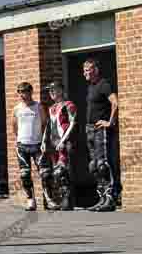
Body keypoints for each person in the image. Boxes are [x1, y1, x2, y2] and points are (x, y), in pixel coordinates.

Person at [83, 58, 120, 212]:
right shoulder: (91, 87)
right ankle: (102, 198)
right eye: (84, 70)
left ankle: (111, 198)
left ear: (96, 69)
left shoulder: (103, 84)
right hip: (90, 129)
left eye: (88, 69)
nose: (85, 72)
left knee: (103, 165)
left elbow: (115, 102)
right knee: (94, 167)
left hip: (101, 130)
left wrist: (110, 122)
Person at [12, 82, 53, 211]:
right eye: (20, 92)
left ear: (31, 92)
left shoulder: (38, 107)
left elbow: (45, 124)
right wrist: (19, 139)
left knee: (45, 173)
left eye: (25, 92)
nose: (23, 95)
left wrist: (43, 141)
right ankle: (30, 200)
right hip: (22, 145)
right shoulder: (17, 108)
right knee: (25, 174)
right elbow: (14, 126)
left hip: (37, 144)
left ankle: (49, 199)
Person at [43, 82, 77, 211]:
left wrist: (64, 140)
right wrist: (43, 142)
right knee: (55, 173)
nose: (51, 92)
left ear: (61, 91)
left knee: (61, 171)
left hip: (64, 142)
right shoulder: (51, 108)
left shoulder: (69, 105)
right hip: (53, 143)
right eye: (50, 90)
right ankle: (63, 199)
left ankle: (68, 200)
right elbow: (49, 126)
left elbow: (73, 123)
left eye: (54, 90)